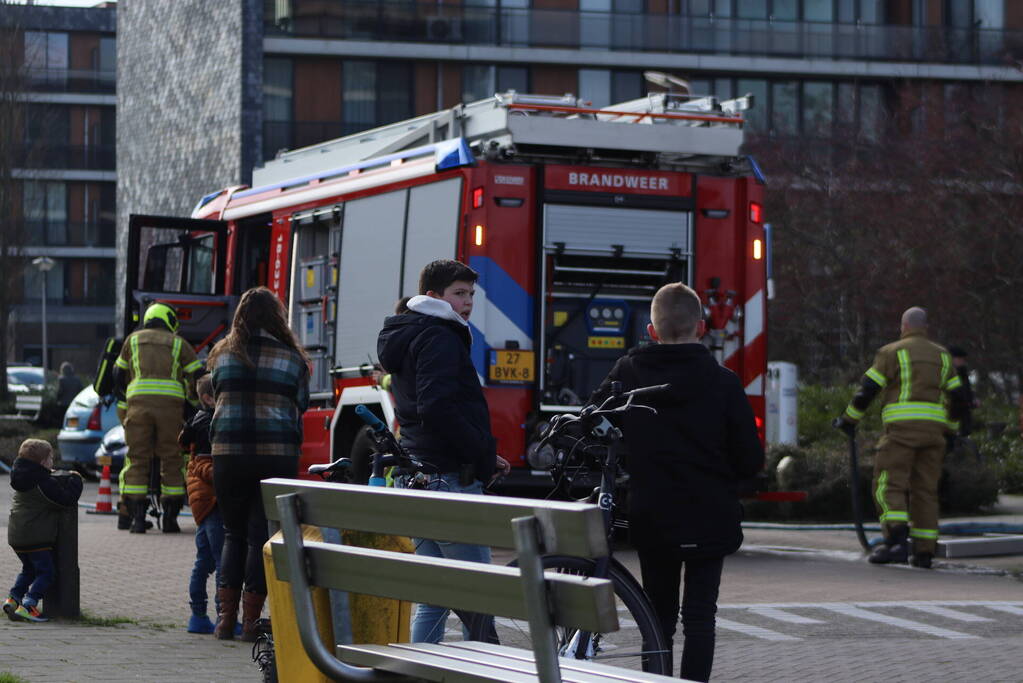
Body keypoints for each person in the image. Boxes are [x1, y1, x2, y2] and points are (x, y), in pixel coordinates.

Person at [588, 282, 764, 682]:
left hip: (654, 514)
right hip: (710, 515)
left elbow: (593, 420)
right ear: (701, 328)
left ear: (651, 331)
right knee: (701, 618)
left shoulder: (629, 372)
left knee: (658, 614)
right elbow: (750, 459)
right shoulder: (724, 382)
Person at [376, 259, 510, 643]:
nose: (468, 302)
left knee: (435, 600)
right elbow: (437, 408)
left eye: (471, 294)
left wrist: (482, 450)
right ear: (433, 296)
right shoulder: (440, 335)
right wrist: (482, 450)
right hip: (446, 479)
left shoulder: (410, 332)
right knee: (477, 598)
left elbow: (426, 410)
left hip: (419, 475)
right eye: (459, 294)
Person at [207, 287, 309, 641]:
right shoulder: (293, 359)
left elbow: (214, 394)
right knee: (259, 536)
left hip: (229, 454)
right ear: (277, 318)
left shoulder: (221, 354)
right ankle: (251, 622)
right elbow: (303, 403)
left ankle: (224, 620)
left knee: (232, 533)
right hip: (275, 455)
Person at [837, 307, 970, 569]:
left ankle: (896, 541)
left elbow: (869, 389)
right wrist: (951, 431)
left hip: (901, 433)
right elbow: (959, 400)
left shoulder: (892, 352)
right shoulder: (943, 356)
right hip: (934, 436)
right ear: (925, 327)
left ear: (904, 326)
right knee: (926, 491)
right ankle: (924, 552)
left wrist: (849, 419)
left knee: (888, 484)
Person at [114, 302, 202, 534]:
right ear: (169, 320)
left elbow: (117, 374)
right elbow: (197, 375)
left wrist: (125, 403)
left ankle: (137, 520)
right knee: (172, 459)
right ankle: (170, 520)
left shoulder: (132, 341)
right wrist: (194, 402)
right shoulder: (179, 343)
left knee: (137, 459)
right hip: (170, 411)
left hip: (138, 409)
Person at [4, 439, 83, 623]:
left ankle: (13, 599)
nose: (52, 463)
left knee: (29, 569)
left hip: (17, 535)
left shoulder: (21, 476)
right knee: (47, 573)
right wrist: (76, 480)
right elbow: (65, 500)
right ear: (43, 462)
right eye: (51, 459)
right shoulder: (42, 483)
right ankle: (29, 604)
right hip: (36, 537)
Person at [180, 373, 225, 635]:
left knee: (204, 561)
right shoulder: (209, 424)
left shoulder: (197, 420)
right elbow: (207, 466)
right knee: (222, 563)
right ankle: (223, 616)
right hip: (212, 502)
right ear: (209, 398)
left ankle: (198, 615)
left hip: (203, 503)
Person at [947, 346, 977, 437]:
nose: (963, 361)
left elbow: (966, 392)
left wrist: (971, 402)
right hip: (954, 414)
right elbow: (956, 393)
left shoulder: (963, 373)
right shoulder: (951, 373)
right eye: (960, 358)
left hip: (962, 415)